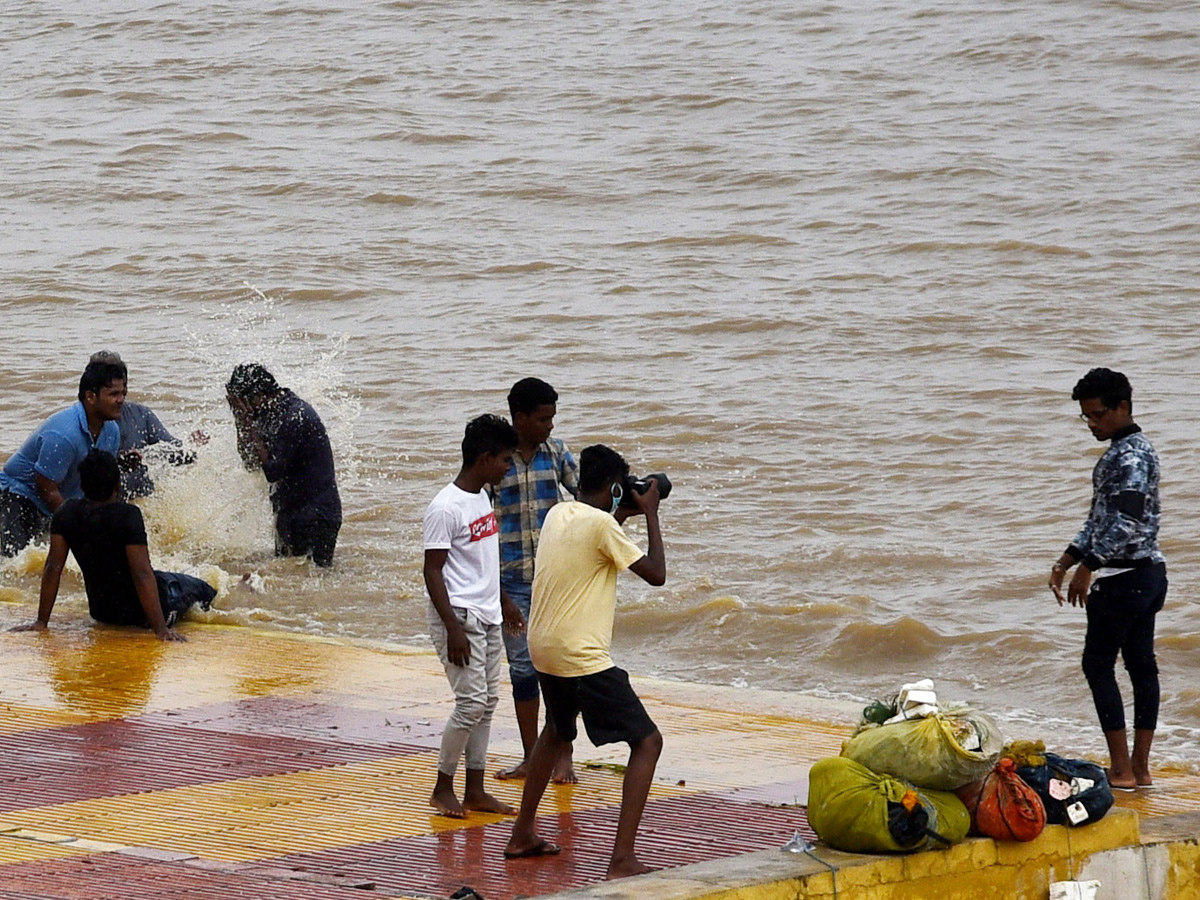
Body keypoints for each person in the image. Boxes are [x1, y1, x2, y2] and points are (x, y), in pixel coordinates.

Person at [505, 444, 666, 879]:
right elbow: (656, 573)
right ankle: (622, 858)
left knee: (556, 730)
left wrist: (622, 512)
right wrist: (650, 511)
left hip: (543, 647)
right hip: (581, 655)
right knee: (648, 742)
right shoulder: (603, 527)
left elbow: (597, 532)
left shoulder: (561, 512)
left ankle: (522, 833)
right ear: (617, 488)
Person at [1049, 368, 1167, 791]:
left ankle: (1121, 770)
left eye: (1098, 415)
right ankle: (1140, 769)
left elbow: (1127, 519)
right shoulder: (1123, 451)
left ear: (1123, 407)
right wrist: (1068, 558)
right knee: (1140, 665)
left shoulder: (1131, 457)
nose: (1092, 424)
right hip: (1147, 573)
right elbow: (1098, 518)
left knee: (1098, 664)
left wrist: (1089, 565)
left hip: (1124, 579)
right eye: (1086, 417)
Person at [423, 414, 525, 818]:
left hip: (487, 613)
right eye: (504, 460)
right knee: (470, 703)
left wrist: (506, 603)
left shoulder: (484, 496)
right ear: (484, 459)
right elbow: (432, 570)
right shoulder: (445, 508)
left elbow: (484, 561)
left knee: (488, 701)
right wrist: (452, 628)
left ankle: (476, 789)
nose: (508, 468)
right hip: (459, 616)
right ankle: (442, 787)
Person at [10, 450, 216, 641]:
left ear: (82, 486)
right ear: (117, 485)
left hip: (102, 614)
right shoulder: (128, 515)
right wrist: (161, 630)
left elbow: (53, 567)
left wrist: (41, 622)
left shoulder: (66, 512)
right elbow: (141, 574)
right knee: (203, 589)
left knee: (165, 577)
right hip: (144, 616)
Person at [493, 377, 580, 783]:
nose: (550, 426)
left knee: (560, 669)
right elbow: (479, 533)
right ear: (520, 418)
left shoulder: (557, 453)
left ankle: (564, 756)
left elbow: (587, 499)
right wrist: (500, 597)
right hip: (510, 583)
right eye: (543, 419)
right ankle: (532, 757)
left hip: (555, 580)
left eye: (553, 418)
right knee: (523, 672)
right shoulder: (497, 462)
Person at [0, 359, 126, 556]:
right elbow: (46, 487)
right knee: (14, 563)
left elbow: (100, 483)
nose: (121, 400)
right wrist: (79, 528)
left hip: (58, 500)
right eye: (114, 394)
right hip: (19, 497)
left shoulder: (111, 431)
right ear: (90, 397)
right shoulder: (64, 434)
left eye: (123, 393)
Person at [226, 363, 342, 567]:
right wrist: (241, 422)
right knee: (291, 580)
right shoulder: (266, 412)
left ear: (258, 395)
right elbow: (250, 463)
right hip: (288, 512)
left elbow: (272, 471)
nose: (241, 410)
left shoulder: (294, 415)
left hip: (316, 515)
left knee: (312, 585)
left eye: (241, 404)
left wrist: (249, 425)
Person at [88, 351, 206, 498]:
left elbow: (171, 452)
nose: (120, 398)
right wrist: (117, 463)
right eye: (112, 391)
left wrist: (192, 447)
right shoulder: (82, 424)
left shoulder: (140, 415)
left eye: (122, 388)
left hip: (142, 502)